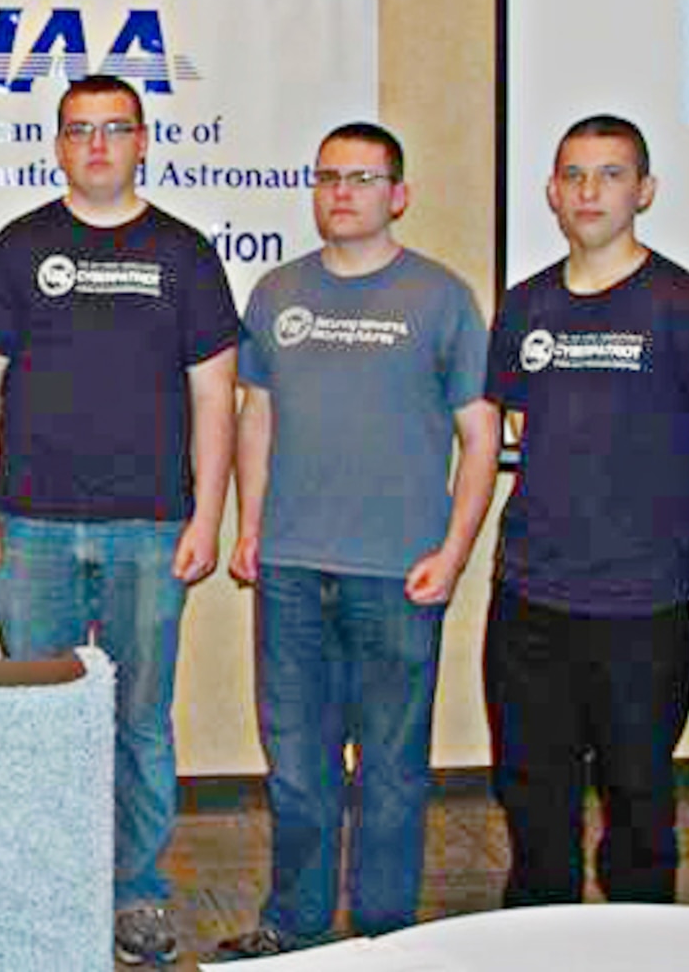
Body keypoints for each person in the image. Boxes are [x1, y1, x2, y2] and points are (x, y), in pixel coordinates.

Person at [0, 74, 240, 966]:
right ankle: (30, 883)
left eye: (116, 128)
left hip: (152, 530)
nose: (98, 144)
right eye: (80, 129)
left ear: (144, 139)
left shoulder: (185, 253)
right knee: (28, 718)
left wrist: (208, 512)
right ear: (58, 144)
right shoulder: (16, 247)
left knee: (141, 721)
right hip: (30, 526)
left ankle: (139, 897)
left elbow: (215, 395)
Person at [216, 123, 499, 957]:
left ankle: (383, 935)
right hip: (294, 569)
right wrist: (252, 530)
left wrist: (451, 554)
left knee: (391, 771)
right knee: (298, 769)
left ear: (398, 196)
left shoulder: (441, 298)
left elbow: (480, 436)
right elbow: (255, 416)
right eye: (329, 177)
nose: (342, 192)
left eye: (363, 179)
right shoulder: (276, 294)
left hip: (398, 574)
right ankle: (297, 926)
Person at [485, 114, 689, 906]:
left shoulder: (684, 302)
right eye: (573, 174)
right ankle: (538, 944)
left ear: (645, 190)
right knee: (534, 801)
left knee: (639, 805)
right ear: (551, 193)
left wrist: (664, 527)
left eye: (609, 174)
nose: (589, 190)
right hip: (531, 601)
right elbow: (521, 427)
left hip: (641, 608)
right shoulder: (526, 304)